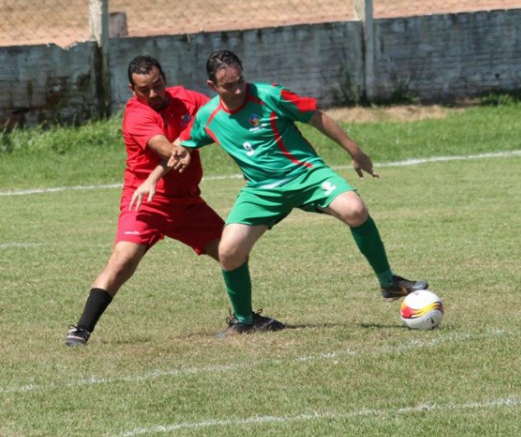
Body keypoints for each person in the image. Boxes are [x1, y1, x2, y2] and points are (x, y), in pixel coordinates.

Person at [173, 50, 428, 335]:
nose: (238, 89)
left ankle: (388, 281)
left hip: (306, 174)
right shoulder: (209, 116)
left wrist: (355, 152)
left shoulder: (271, 95)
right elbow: (184, 142)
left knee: (355, 209)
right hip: (261, 191)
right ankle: (244, 321)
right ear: (212, 86)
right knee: (229, 251)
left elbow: (316, 116)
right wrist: (176, 155)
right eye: (228, 86)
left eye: (241, 81)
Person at [65, 56, 232, 346]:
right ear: (133, 89)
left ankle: (245, 319)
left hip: (187, 203)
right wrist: (179, 150)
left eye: (158, 85)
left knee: (233, 252)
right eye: (145, 89)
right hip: (145, 201)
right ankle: (81, 329)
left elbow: (222, 115)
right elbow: (163, 147)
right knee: (123, 261)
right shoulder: (136, 115)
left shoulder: (187, 99)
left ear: (164, 77)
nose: (154, 94)